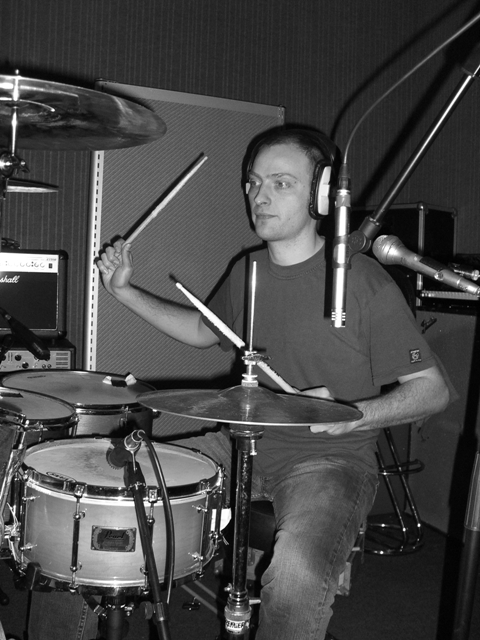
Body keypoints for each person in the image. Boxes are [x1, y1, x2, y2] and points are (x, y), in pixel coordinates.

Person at [31, 127, 451, 640]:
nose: (260, 196)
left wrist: (351, 415)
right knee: (95, 498)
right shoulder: (247, 269)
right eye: (254, 182)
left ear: (322, 195)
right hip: (240, 444)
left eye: (281, 183)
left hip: (331, 462)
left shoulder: (363, 281)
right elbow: (201, 330)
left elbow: (432, 390)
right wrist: (124, 292)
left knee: (294, 575)